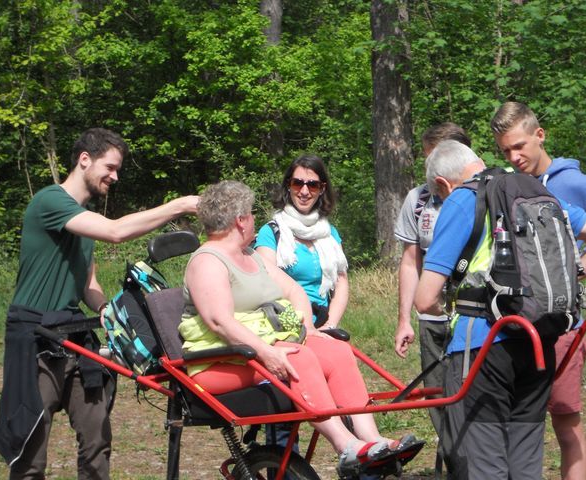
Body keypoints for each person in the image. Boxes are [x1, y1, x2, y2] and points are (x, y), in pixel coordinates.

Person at [414, 140, 586, 479]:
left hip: (480, 346)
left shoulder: (461, 199)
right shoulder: (535, 193)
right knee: (525, 461)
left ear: (442, 184)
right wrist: (561, 279)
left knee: (484, 462)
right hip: (539, 340)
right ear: (479, 161)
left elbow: (425, 299)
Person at [179, 181, 422, 476]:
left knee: (335, 350)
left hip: (256, 351)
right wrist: (267, 352)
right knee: (298, 356)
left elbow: (294, 292)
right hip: (218, 361)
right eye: (252, 214)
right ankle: (346, 445)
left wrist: (309, 327)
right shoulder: (208, 261)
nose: (256, 219)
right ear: (240, 220)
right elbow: (220, 321)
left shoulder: (251, 256)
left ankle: (372, 440)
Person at [0, 128, 200, 480]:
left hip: (73, 334)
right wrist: (180, 205)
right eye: (110, 166)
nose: (115, 176)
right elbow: (116, 231)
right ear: (84, 159)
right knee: (30, 450)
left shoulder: (81, 217)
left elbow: (89, 283)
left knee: (96, 439)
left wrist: (105, 308)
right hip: (36, 335)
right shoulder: (50, 201)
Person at [491, 101, 586, 479]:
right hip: (520, 325)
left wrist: (570, 273)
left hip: (563, 326)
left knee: (565, 422)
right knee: (520, 421)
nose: (514, 156)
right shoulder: (509, 185)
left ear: (540, 136)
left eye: (520, 146)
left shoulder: (573, 183)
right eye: (506, 150)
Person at [394, 122, 471, 438]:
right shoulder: (418, 199)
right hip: (432, 317)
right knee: (436, 396)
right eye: (425, 159)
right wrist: (404, 320)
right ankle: (452, 458)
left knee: (472, 395)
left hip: (472, 318)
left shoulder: (483, 195)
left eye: (433, 159)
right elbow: (411, 261)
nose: (428, 168)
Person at [255, 153, 349, 330]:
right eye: (298, 183)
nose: (304, 191)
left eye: (312, 185)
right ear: (288, 186)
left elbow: (341, 283)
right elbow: (265, 287)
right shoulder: (270, 233)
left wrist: (330, 325)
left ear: (322, 189)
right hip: (284, 325)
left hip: (322, 323)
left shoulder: (330, 234)